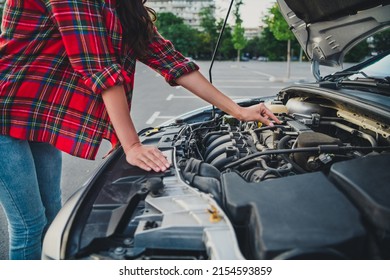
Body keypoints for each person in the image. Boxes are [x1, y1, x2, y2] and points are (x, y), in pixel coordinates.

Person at [0, 0, 280, 259]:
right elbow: (99, 65)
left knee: (51, 214)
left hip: (32, 115)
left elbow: (170, 60)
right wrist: (131, 146)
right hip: (4, 106)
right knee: (30, 224)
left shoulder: (122, 5)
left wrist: (239, 111)